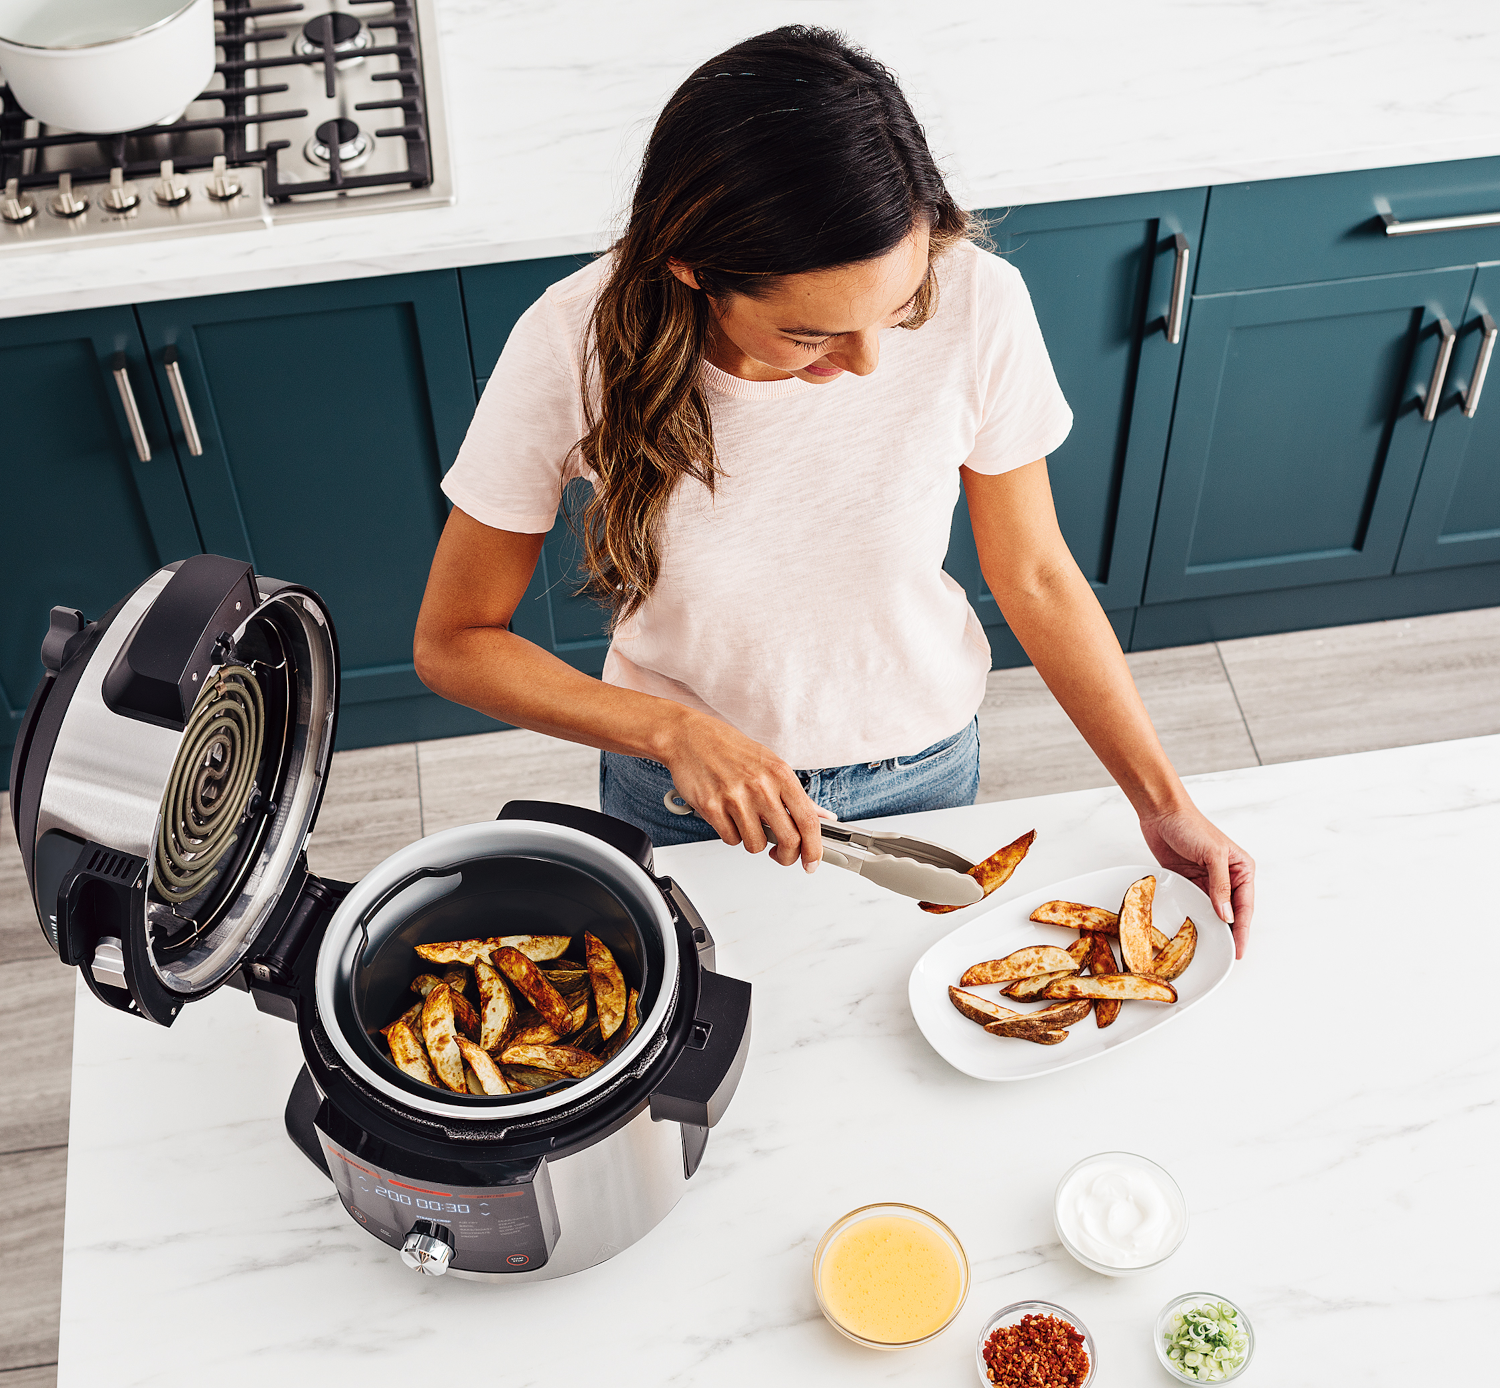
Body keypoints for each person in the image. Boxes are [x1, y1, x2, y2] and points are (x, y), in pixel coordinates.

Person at [414, 25, 1255, 954]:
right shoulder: (572, 342)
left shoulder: (981, 299)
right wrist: (674, 733)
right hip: (685, 795)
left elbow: (1040, 579)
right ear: (695, 270)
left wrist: (1165, 803)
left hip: (924, 776)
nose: (866, 362)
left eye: (896, 313)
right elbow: (455, 642)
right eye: (814, 334)